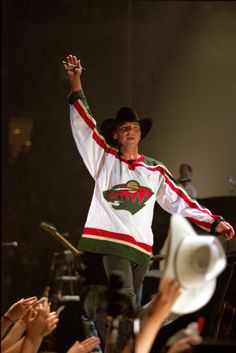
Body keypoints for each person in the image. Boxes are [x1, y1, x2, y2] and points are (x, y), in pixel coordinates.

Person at [62, 54, 235, 351]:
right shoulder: (102, 157)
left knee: (127, 314)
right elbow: (84, 126)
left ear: (141, 134)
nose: (130, 130)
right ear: (115, 134)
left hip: (141, 250)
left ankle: (155, 317)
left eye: (135, 127)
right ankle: (139, 333)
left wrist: (214, 221)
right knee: (125, 309)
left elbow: (181, 201)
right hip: (110, 243)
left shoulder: (155, 169)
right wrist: (75, 81)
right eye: (124, 127)